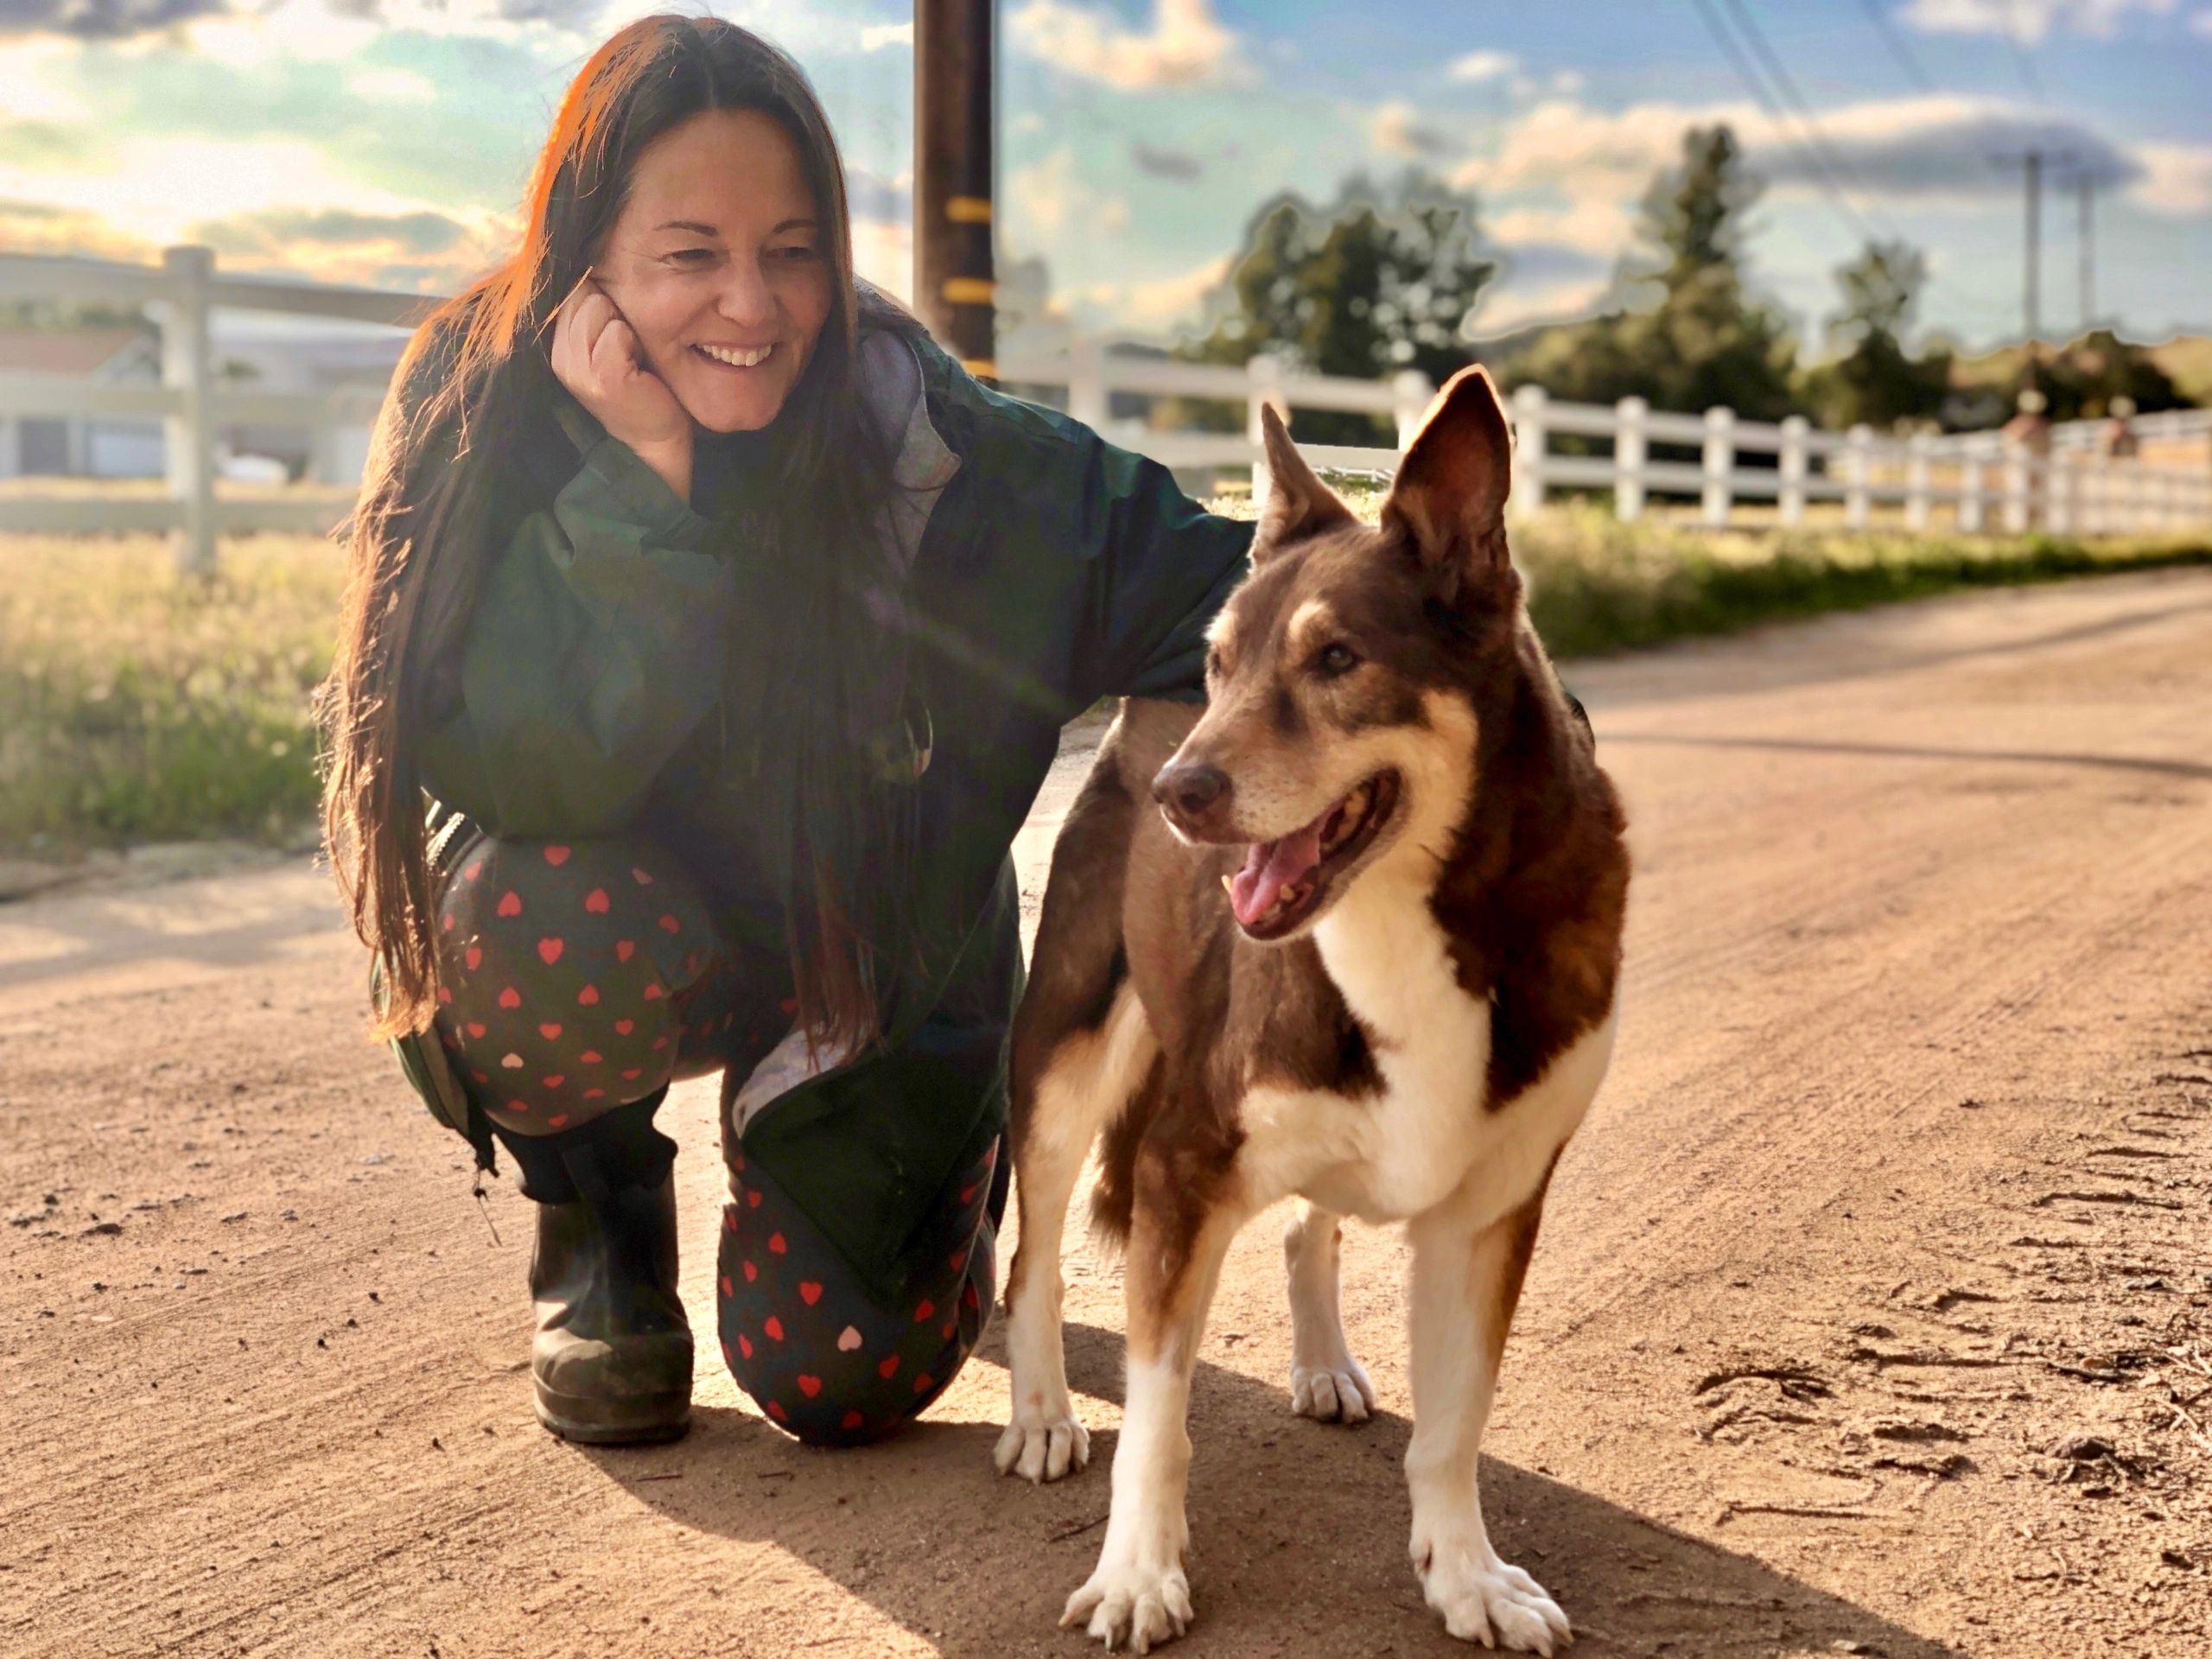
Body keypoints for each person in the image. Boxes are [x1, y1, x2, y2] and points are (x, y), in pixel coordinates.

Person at [319, 15, 1250, 1447]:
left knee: (837, 1381)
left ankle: (932, 1146)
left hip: (874, 953)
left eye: (794, 247)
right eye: (690, 253)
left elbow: (1239, 597)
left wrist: (1462, 697)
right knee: (519, 928)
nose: (752, 305)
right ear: (591, 264)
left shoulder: (943, 452)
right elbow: (515, 768)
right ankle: (601, 1218)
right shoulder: (482, 411)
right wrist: (645, 488)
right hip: (629, 913)